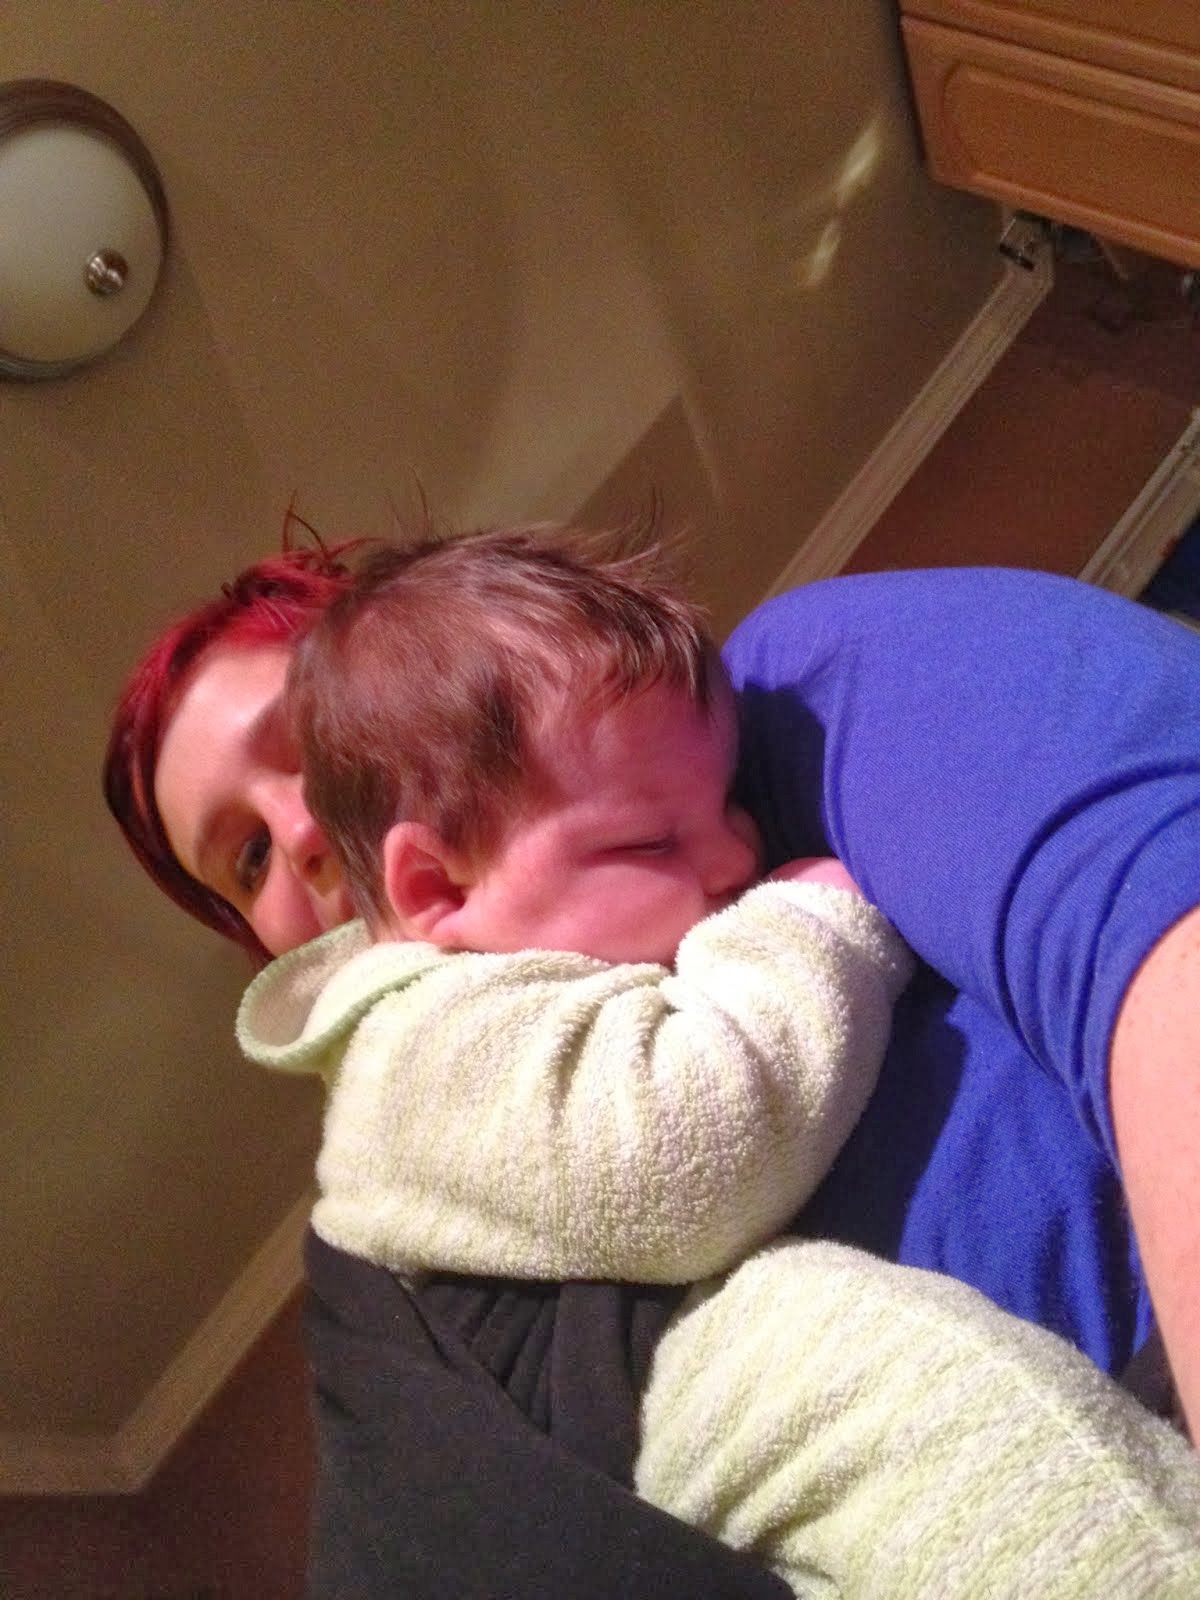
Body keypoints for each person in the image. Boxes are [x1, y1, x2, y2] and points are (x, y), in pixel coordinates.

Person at [103, 528, 1200, 1597]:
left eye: (314, 743)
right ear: (429, 887)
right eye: (247, 854)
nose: (301, 832)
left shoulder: (796, 694)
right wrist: (806, 921)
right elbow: (692, 1142)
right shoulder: (412, 1049)